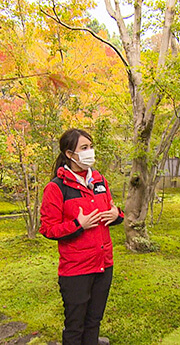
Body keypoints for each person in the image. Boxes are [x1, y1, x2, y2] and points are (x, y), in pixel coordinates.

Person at [40, 128, 124, 345]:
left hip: (104, 265)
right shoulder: (56, 188)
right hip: (76, 269)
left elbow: (112, 210)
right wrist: (78, 224)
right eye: (84, 148)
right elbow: (48, 229)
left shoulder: (99, 181)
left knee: (94, 321)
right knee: (75, 326)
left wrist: (117, 215)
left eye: (91, 147)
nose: (90, 152)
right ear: (69, 154)